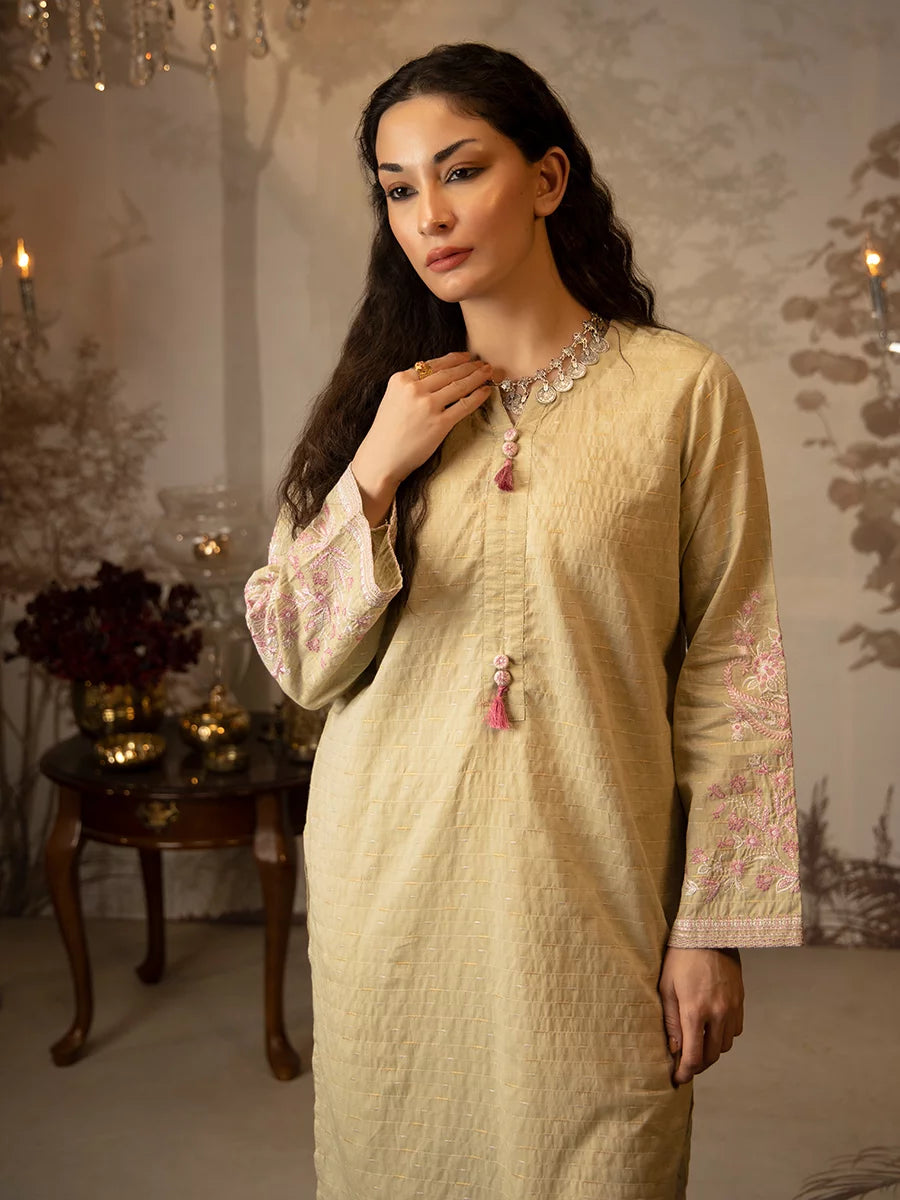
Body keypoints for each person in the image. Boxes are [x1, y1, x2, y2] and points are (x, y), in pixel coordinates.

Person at [245, 41, 801, 1200]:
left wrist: (712, 926)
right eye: (399, 189)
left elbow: (731, 668)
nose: (431, 215)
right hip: (392, 883)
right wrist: (375, 476)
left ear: (547, 178)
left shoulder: (681, 393)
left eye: (461, 170)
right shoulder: (381, 411)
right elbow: (298, 663)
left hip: (590, 887)